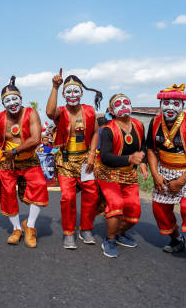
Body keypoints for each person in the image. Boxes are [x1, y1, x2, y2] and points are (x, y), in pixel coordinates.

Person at [146, 84, 186, 270]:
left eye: (175, 103)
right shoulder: (155, 122)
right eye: (166, 103)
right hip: (164, 170)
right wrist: (155, 175)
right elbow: (151, 150)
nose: (170, 107)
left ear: (182, 105)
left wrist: (181, 182)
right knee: (159, 209)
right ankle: (177, 239)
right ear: (160, 104)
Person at [46, 69, 103, 249]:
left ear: (81, 93)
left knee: (91, 195)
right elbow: (49, 112)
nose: (72, 94)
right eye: (68, 91)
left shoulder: (89, 111)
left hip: (86, 160)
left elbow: (95, 133)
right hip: (65, 161)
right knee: (68, 198)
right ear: (64, 95)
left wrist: (92, 154)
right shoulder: (61, 112)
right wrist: (55, 87)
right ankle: (69, 232)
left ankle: (86, 228)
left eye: (75, 91)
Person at [0, 76, 49, 247]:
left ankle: (30, 226)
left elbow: (36, 139)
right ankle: (17, 229)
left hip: (29, 160)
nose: (12, 103)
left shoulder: (31, 113)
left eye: (15, 99)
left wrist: (14, 151)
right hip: (7, 163)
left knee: (39, 186)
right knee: (7, 194)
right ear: (3, 103)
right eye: (7, 100)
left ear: (21, 99)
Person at [95, 93, 148, 258]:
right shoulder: (108, 130)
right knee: (116, 205)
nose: (123, 105)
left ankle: (118, 233)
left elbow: (143, 147)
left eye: (126, 102)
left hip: (129, 175)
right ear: (111, 110)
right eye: (118, 104)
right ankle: (109, 239)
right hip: (108, 174)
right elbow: (105, 156)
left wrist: (143, 163)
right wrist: (129, 159)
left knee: (134, 211)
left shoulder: (138, 125)